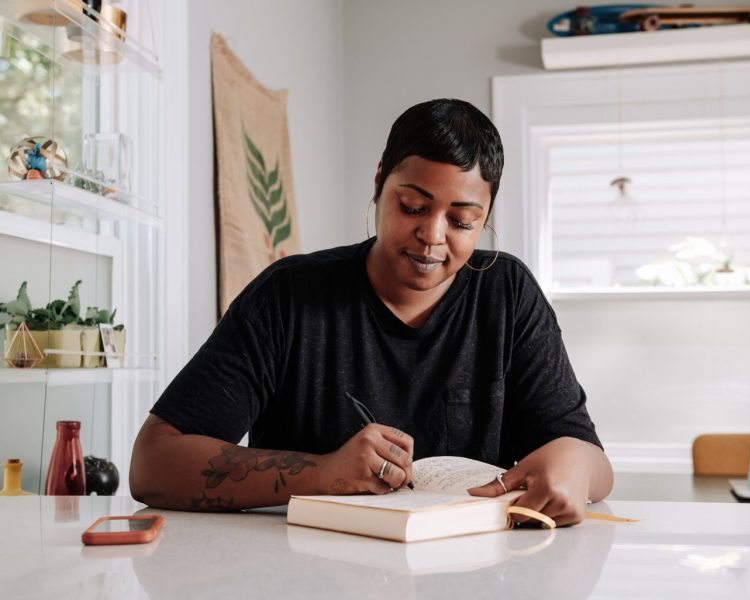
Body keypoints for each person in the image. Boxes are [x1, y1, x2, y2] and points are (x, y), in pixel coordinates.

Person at [130, 98, 613, 525]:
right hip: (304, 575)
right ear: (380, 180)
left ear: (485, 215)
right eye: (412, 206)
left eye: (463, 220)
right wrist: (321, 473)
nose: (434, 235)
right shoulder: (288, 296)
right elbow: (152, 464)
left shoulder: (508, 294)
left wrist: (572, 462)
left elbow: (594, 465)